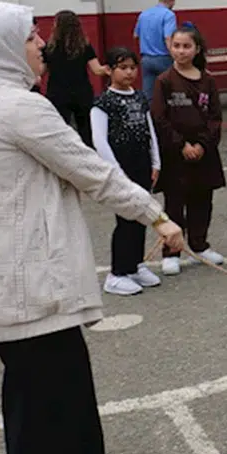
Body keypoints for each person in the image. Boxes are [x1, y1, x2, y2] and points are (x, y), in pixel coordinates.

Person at [0, 2, 182, 454]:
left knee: (29, 404)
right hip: (34, 289)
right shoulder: (19, 107)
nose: (41, 43)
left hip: (6, 287)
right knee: (64, 416)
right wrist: (157, 216)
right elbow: (93, 171)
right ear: (1, 46)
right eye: (29, 36)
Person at [151, 23, 227, 275]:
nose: (181, 51)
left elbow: (215, 117)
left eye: (186, 46)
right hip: (176, 154)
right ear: (170, 48)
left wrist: (203, 145)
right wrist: (181, 145)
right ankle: (171, 251)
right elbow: (159, 118)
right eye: (176, 46)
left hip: (203, 154)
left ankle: (199, 245)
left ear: (196, 49)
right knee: (174, 203)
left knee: (202, 200)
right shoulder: (164, 81)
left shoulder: (207, 81)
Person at [92, 48, 164, 297]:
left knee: (141, 214)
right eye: (123, 67)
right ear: (109, 70)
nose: (129, 72)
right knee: (125, 220)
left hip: (142, 165)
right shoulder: (103, 103)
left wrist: (156, 162)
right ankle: (117, 273)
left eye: (133, 67)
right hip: (121, 170)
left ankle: (135, 265)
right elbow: (100, 141)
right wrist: (116, 172)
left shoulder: (140, 98)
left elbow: (149, 130)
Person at [43, 9, 109, 147]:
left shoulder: (49, 47)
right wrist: (110, 69)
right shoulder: (84, 46)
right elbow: (97, 70)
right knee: (86, 132)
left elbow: (42, 71)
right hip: (81, 92)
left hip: (57, 92)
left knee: (60, 130)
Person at [134, 0, 178, 100]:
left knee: (148, 95)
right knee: (169, 93)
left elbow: (135, 35)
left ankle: (149, 116)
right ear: (171, 0)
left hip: (146, 59)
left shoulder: (143, 14)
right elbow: (168, 38)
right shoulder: (169, 15)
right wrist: (175, 56)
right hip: (163, 58)